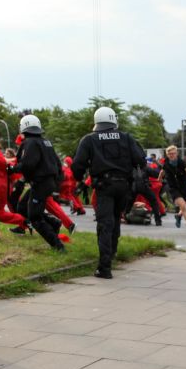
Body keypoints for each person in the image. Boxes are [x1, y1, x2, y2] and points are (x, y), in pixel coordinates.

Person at [72, 106, 146, 278]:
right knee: (115, 220)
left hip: (104, 186)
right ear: (114, 120)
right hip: (124, 186)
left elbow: (78, 164)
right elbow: (140, 160)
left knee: (105, 224)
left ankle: (104, 268)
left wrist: (80, 179)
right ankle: (112, 253)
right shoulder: (126, 137)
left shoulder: (89, 139)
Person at [13, 115, 68, 252]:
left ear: (23, 127)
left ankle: (57, 246)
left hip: (41, 183)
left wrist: (12, 169)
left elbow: (27, 165)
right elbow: (57, 163)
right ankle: (54, 223)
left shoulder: (30, 142)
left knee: (34, 217)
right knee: (22, 207)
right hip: (47, 182)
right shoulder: (45, 142)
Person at [162, 145, 186, 235]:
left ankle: (178, 216)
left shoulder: (182, 163)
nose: (172, 155)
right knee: (183, 206)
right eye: (170, 154)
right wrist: (159, 178)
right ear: (167, 155)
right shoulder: (166, 163)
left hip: (184, 187)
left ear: (177, 153)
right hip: (173, 188)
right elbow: (162, 171)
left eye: (173, 153)